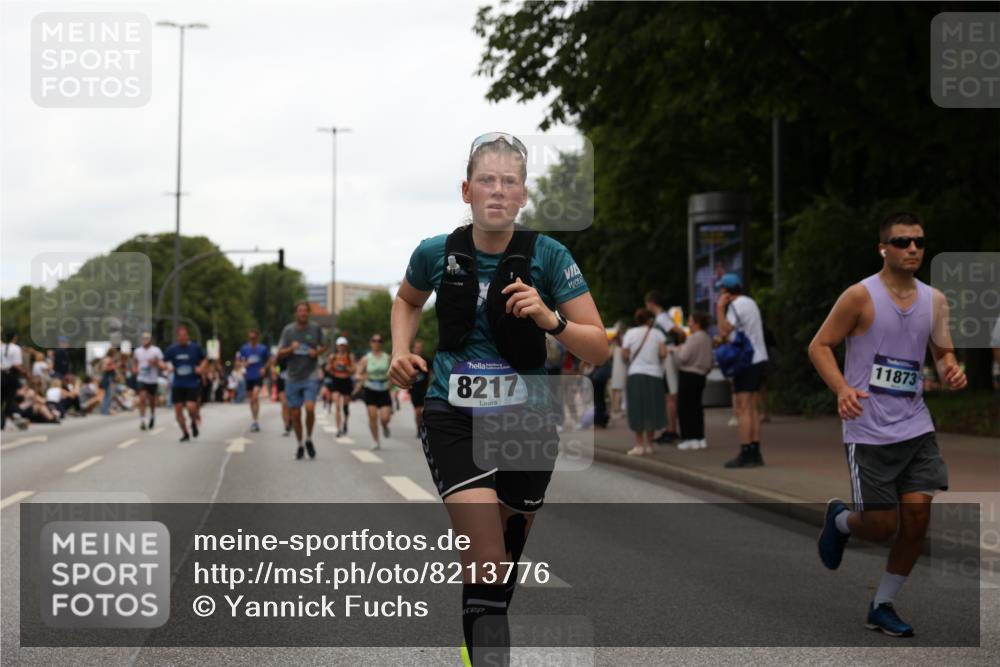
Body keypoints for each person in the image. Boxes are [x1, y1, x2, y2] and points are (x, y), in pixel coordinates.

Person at [388, 132, 607, 667]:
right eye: (487, 179)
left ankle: (478, 644)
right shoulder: (435, 252)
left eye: (510, 181)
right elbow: (407, 300)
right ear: (467, 191)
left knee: (502, 563)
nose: (498, 190)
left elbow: (598, 347)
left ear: (523, 195)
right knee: (486, 559)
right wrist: (400, 350)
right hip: (454, 414)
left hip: (527, 420)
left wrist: (551, 319)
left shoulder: (549, 255)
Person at [810, 212, 966, 637]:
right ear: (883, 248)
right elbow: (820, 345)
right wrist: (842, 388)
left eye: (918, 241)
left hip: (916, 426)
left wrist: (951, 370)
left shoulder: (935, 301)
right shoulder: (860, 297)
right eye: (901, 242)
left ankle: (882, 604)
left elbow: (944, 353)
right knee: (881, 527)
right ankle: (840, 520)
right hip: (868, 429)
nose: (912, 248)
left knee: (916, 519)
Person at [715, 273, 769, 468]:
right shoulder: (750, 302)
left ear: (726, 291)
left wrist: (719, 309)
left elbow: (724, 331)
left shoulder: (735, 306)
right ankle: (755, 451)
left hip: (746, 361)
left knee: (742, 408)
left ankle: (745, 452)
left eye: (721, 289)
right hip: (759, 358)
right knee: (753, 407)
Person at [277, 302, 326, 460]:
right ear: (296, 313)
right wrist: (291, 348)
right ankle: (300, 444)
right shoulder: (288, 330)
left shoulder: (315, 328)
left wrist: (316, 352)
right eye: (300, 311)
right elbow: (279, 353)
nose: (303, 313)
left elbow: (324, 346)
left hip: (310, 374)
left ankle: (309, 438)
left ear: (308, 313)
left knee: (310, 408)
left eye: (305, 311)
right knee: (296, 414)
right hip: (292, 377)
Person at [622, 308, 668, 455]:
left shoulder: (630, 333)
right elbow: (663, 353)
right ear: (650, 320)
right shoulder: (658, 334)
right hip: (654, 374)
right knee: (652, 409)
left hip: (635, 374)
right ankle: (649, 445)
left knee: (637, 409)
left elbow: (624, 355)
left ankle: (639, 445)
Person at [674, 311, 714, 450]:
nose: (689, 324)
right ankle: (700, 438)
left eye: (690, 321)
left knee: (685, 408)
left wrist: (677, 350)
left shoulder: (693, 338)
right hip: (701, 375)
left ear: (697, 323)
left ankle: (688, 438)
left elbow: (683, 358)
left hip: (688, 375)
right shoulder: (707, 338)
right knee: (697, 407)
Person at [645, 291, 681, 443]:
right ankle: (669, 429)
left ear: (651, 303)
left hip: (667, 358)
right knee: (668, 394)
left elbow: (678, 331)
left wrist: (674, 346)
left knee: (670, 394)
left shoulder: (662, 318)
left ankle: (671, 430)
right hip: (666, 357)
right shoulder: (661, 318)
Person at [163, 325, 208, 442]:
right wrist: (167, 367)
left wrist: (201, 368)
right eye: (180, 336)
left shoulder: (195, 348)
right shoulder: (172, 349)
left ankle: (193, 422)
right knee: (178, 410)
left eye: (184, 335)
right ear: (177, 337)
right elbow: (163, 361)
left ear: (188, 336)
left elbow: (205, 359)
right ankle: (185, 433)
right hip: (178, 383)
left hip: (192, 382)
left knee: (191, 407)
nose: (182, 337)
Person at [355, 333, 393, 450]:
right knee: (372, 416)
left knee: (385, 418)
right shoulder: (366, 358)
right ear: (370, 343)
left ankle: (385, 426)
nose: (376, 343)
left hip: (384, 389)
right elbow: (357, 374)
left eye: (379, 341)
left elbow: (392, 373)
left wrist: (391, 385)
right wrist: (362, 377)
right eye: (374, 340)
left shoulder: (387, 357)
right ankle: (376, 440)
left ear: (381, 343)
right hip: (370, 389)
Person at [237, 328, 271, 432]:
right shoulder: (244, 348)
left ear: (257, 337)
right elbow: (238, 361)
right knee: (251, 400)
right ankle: (254, 419)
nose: (252, 339)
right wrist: (243, 364)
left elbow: (269, 360)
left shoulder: (262, 348)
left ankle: (255, 421)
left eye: (254, 337)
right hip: (248, 376)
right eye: (250, 338)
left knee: (255, 397)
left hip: (258, 376)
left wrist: (264, 368)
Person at [133, 332, 163, 430]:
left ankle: (152, 416)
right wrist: (135, 369)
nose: (145, 340)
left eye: (147, 338)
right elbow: (135, 361)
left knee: (152, 400)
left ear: (151, 340)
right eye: (144, 338)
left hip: (152, 379)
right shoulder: (138, 351)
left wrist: (155, 362)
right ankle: (143, 420)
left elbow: (162, 364)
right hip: (142, 378)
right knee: (142, 398)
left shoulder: (156, 350)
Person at [327, 336, 356, 437]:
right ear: (337, 346)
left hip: (346, 381)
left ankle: (345, 423)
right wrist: (331, 367)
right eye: (340, 345)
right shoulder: (333, 356)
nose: (341, 347)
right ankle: (338, 429)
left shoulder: (349, 356)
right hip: (336, 381)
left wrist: (345, 367)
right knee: (337, 406)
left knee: (345, 407)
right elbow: (328, 369)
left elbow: (353, 370)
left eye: (343, 345)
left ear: (346, 346)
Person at [2, 331, 26, 430]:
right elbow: (17, 365)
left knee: (2, 398)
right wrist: (26, 373)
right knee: (10, 398)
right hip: (12, 374)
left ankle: (4, 420)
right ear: (14, 337)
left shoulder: (1, 347)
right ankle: (7, 419)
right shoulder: (16, 348)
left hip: (2, 374)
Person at [408, 339, 430, 436]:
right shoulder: (409, 361)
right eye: (416, 347)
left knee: (424, 411)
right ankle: (418, 428)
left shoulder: (426, 360)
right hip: (414, 390)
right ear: (413, 348)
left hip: (425, 390)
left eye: (420, 347)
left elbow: (432, 373)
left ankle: (424, 427)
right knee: (417, 412)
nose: (418, 349)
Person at [609, 324, 627, 421]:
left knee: (617, 390)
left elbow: (610, 355)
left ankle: (617, 409)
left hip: (617, 368)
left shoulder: (614, 343)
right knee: (618, 390)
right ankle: (618, 409)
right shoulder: (622, 342)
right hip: (621, 368)